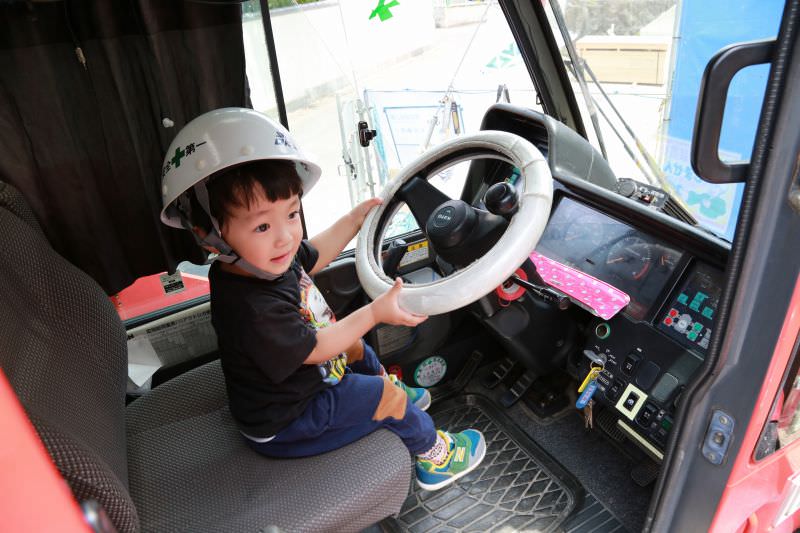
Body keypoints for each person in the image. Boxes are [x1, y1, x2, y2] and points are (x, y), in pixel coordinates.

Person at [159, 107, 486, 491]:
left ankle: (391, 397)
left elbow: (314, 255)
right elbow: (314, 349)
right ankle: (436, 457)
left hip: (303, 387)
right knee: (382, 395)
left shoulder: (265, 259)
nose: (284, 237)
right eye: (262, 225)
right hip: (288, 421)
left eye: (293, 214)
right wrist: (375, 312)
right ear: (210, 234)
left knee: (355, 347)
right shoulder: (249, 307)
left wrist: (353, 221)